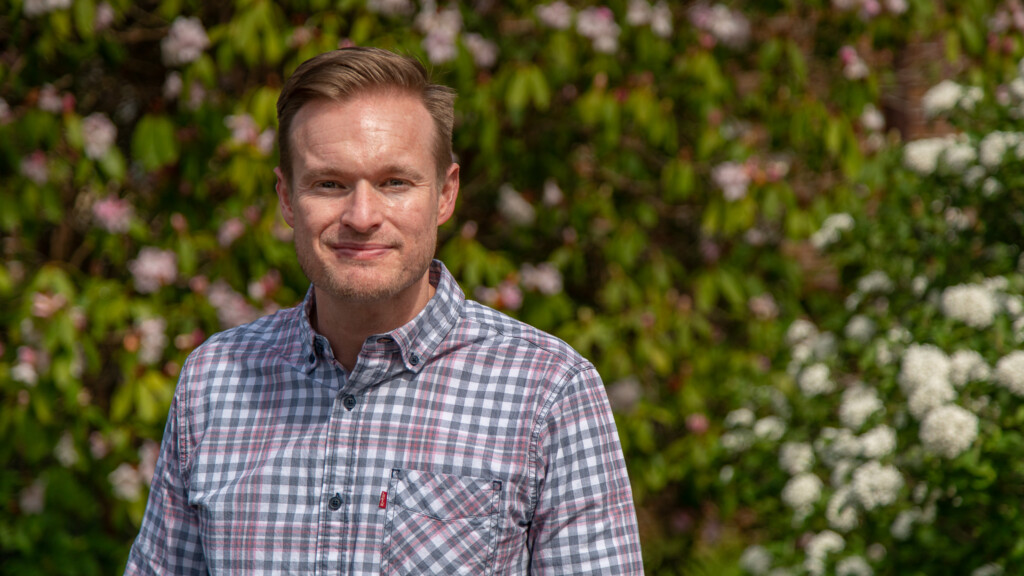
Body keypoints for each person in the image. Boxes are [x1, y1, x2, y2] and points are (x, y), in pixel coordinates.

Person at [124, 46, 643, 575]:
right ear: (286, 198)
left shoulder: (547, 389)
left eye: (395, 183)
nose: (362, 216)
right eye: (330, 183)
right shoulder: (214, 382)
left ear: (446, 193)